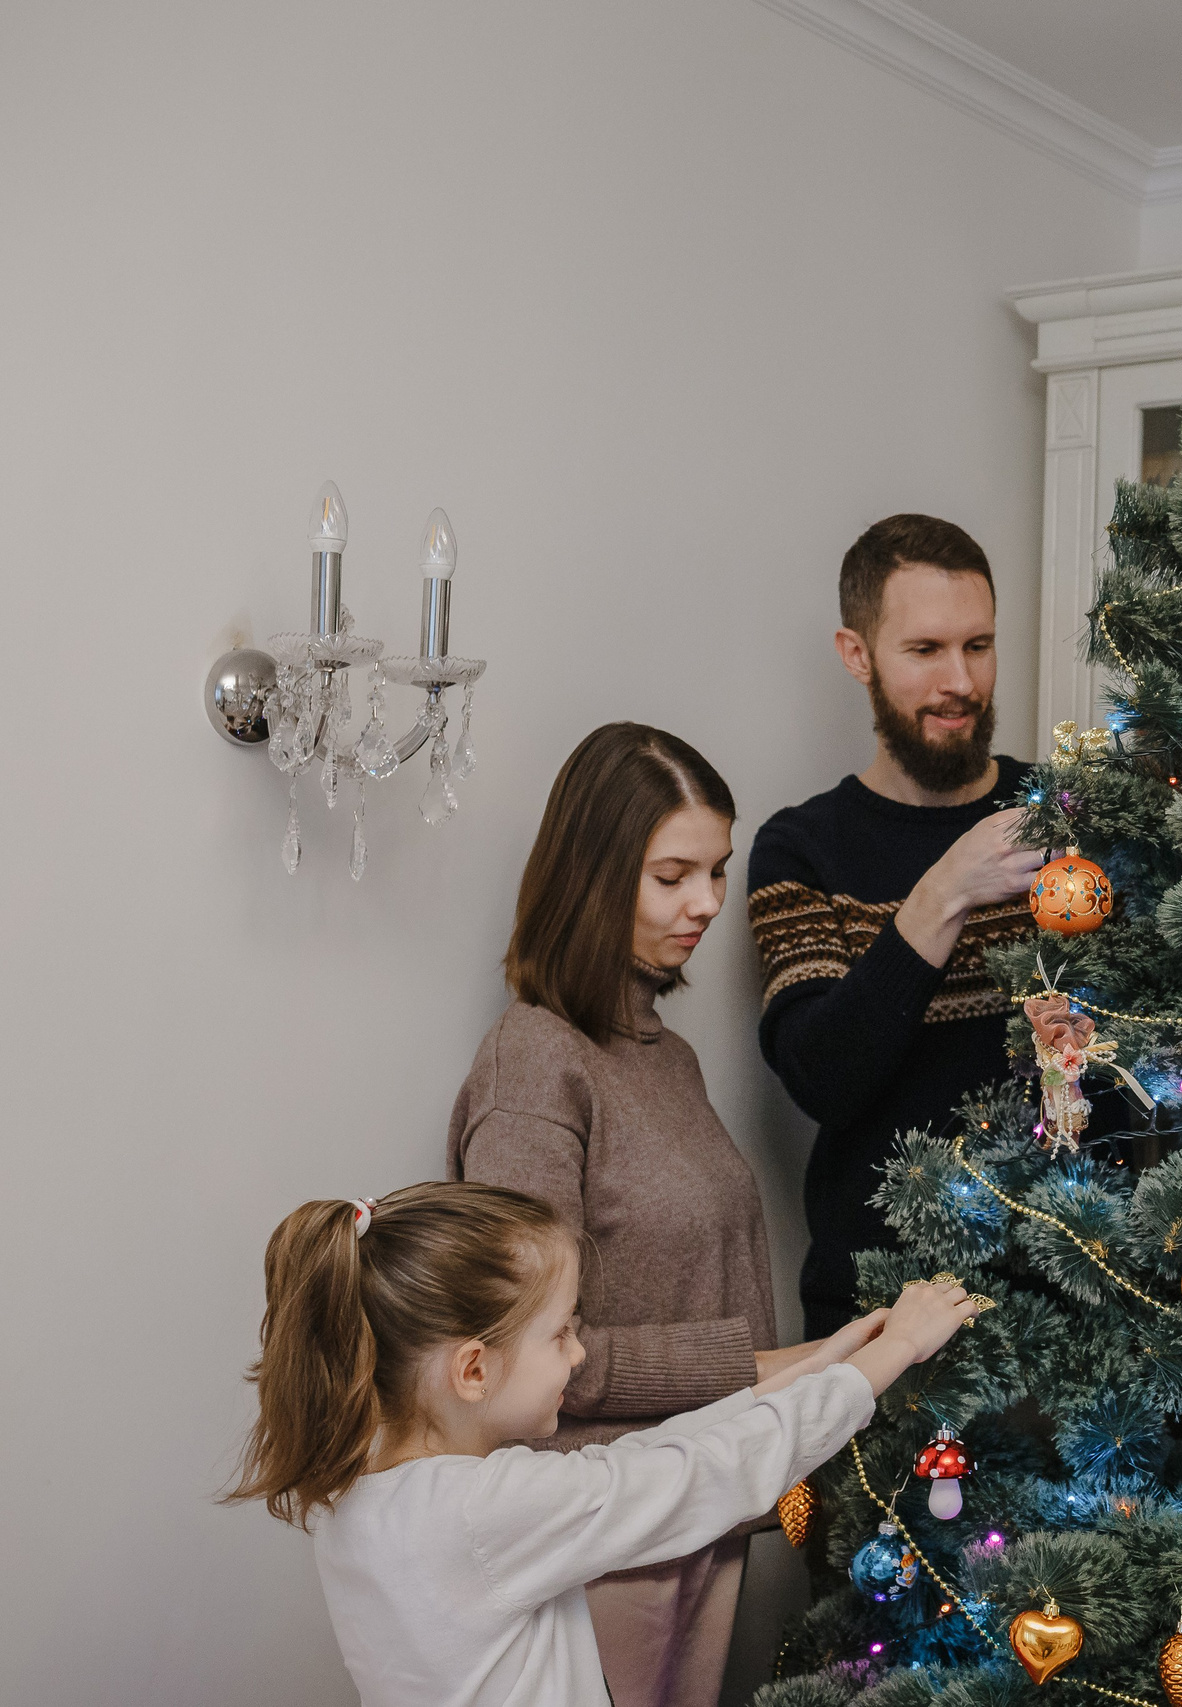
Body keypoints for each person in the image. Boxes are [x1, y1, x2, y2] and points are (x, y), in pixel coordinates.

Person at [226, 1181, 978, 1707]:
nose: (579, 1352)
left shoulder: (366, 1494)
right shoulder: (481, 1513)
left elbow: (629, 1465)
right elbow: (699, 1478)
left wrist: (819, 1365)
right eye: (560, 1333)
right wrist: (895, 1352)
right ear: (474, 1370)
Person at [451, 722, 827, 1707]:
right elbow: (525, 1356)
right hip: (604, 1523)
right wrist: (759, 1366)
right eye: (672, 876)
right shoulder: (536, 1062)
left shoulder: (667, 1055)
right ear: (591, 876)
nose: (708, 902)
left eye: (717, 870)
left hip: (692, 1503)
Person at [749, 513, 1046, 1336]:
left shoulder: (1059, 814)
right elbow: (823, 1079)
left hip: (1063, 1303)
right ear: (858, 655)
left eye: (979, 645)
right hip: (876, 1317)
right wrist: (945, 889)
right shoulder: (801, 848)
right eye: (925, 650)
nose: (961, 680)